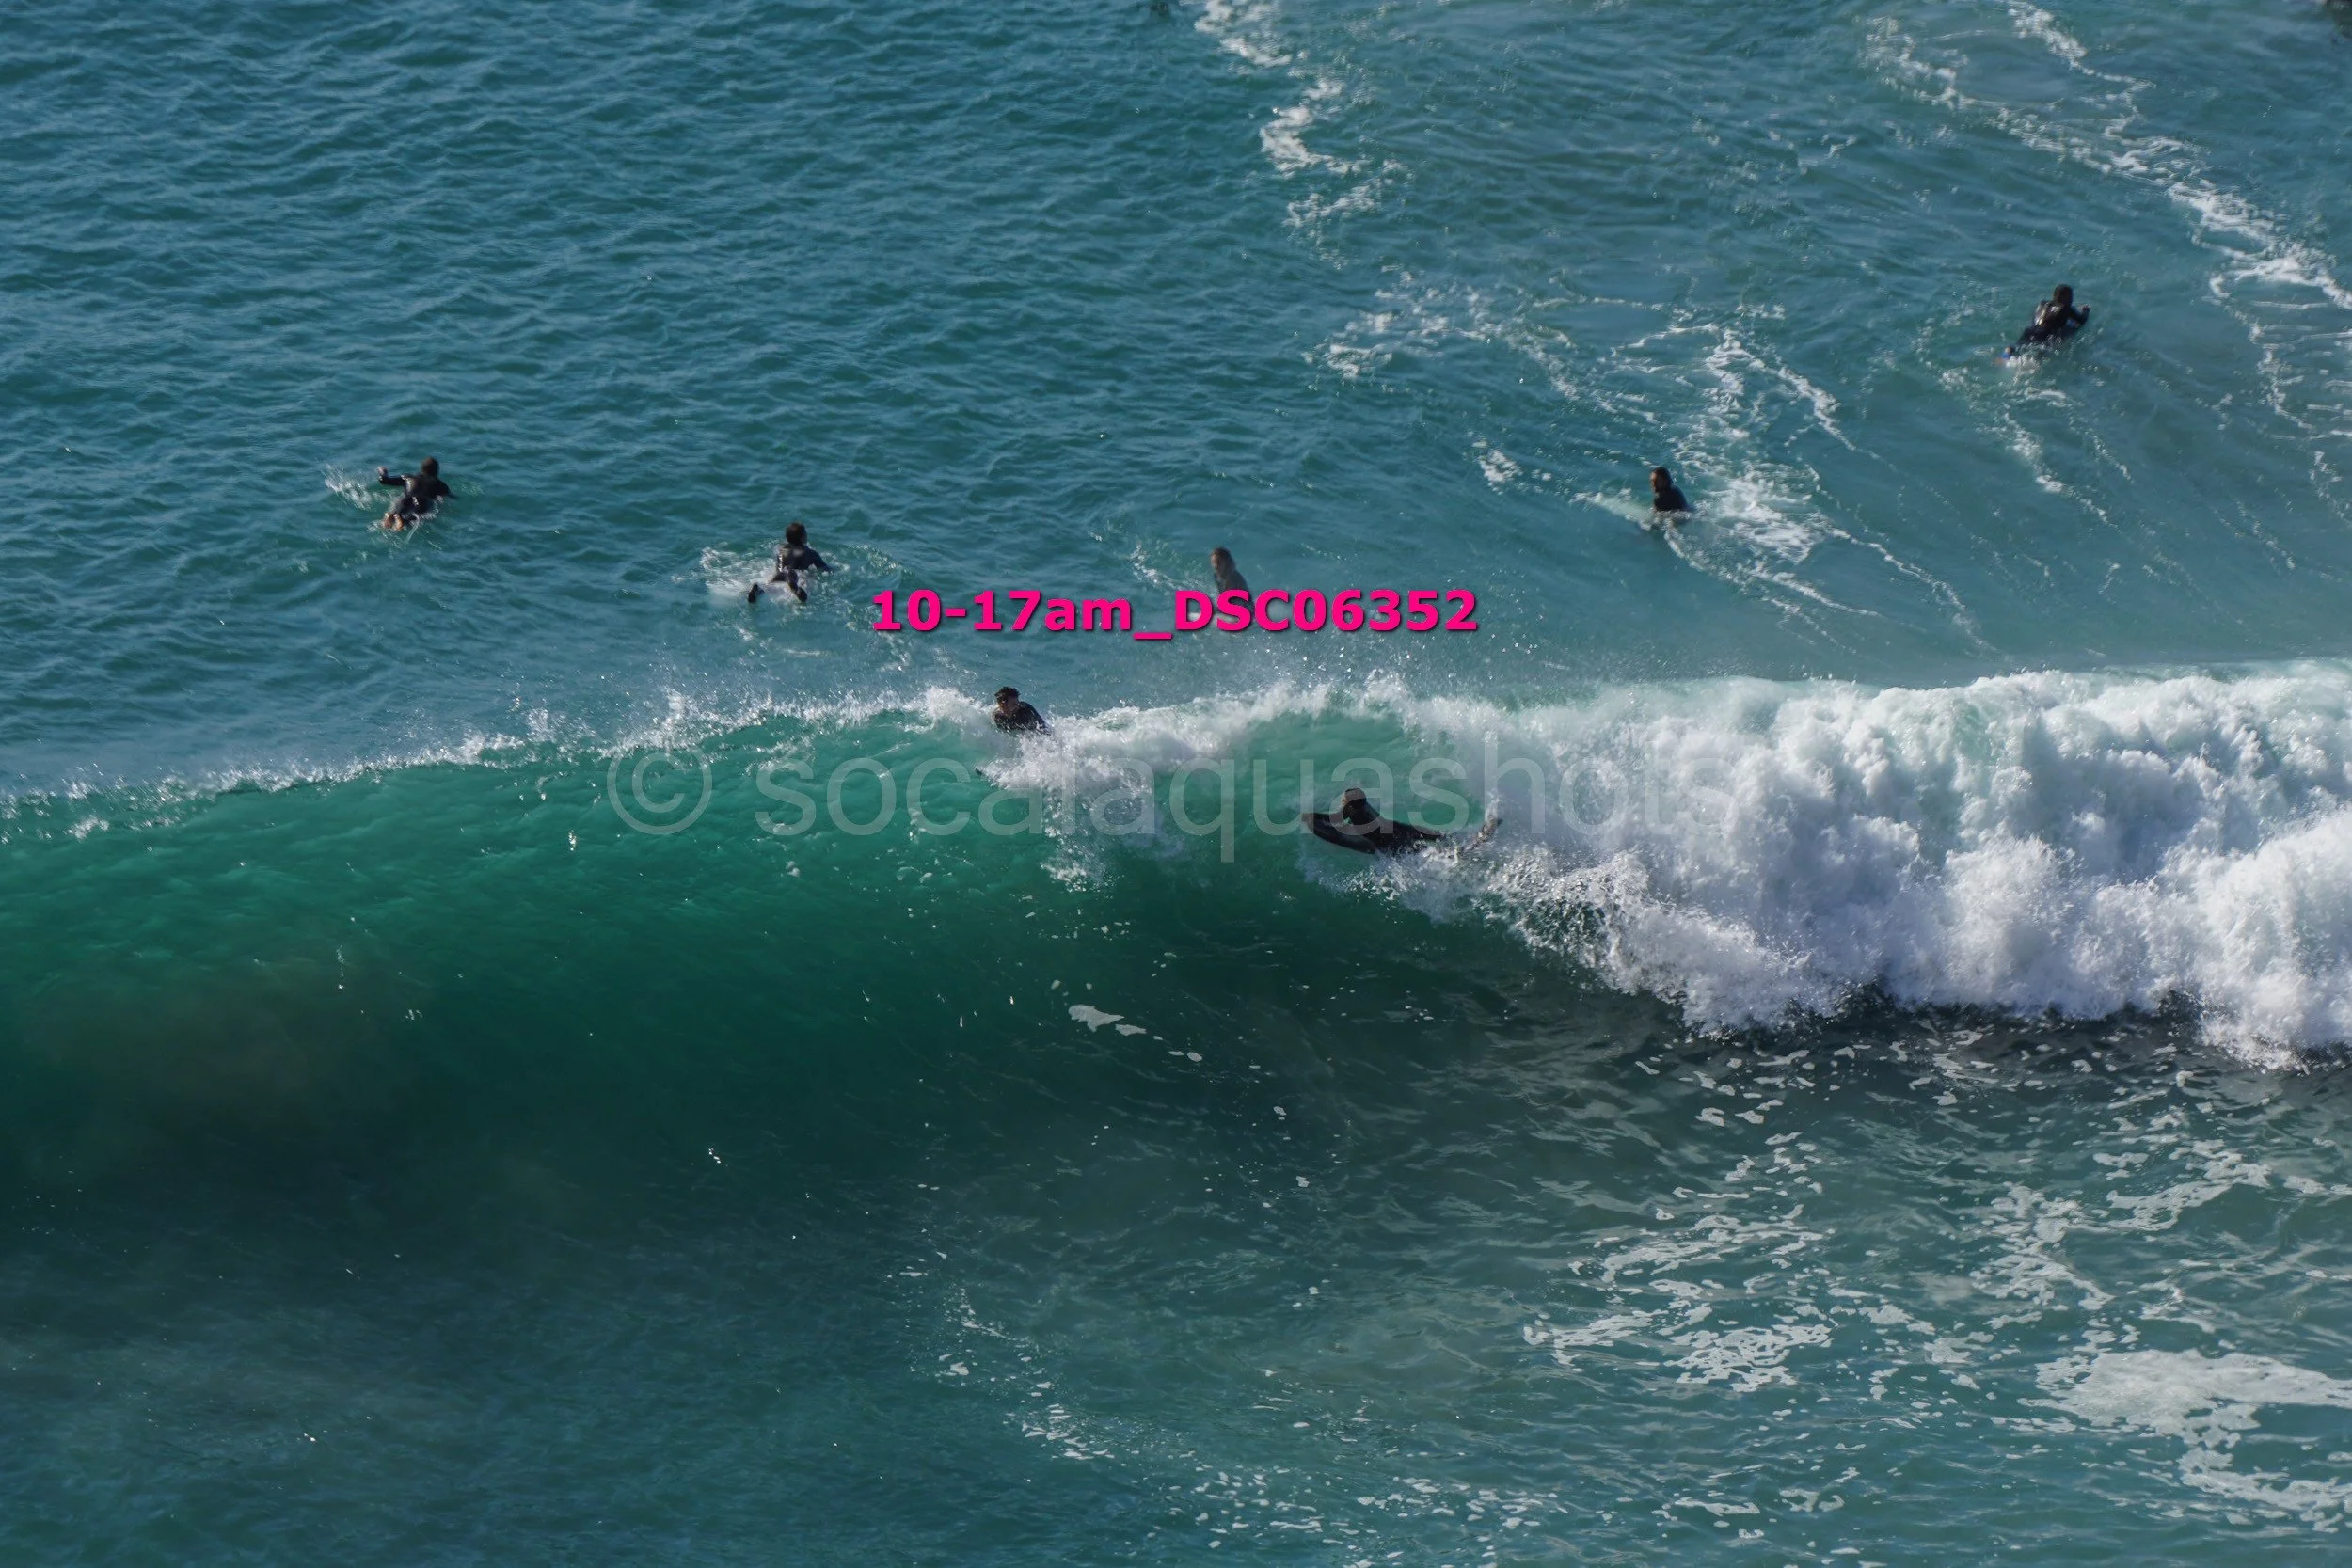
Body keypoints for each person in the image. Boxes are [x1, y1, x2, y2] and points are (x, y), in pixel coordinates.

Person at [1305, 786, 1448, 855]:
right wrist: (1313, 816)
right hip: (1394, 828)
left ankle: (1453, 854)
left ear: (1350, 803)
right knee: (1430, 840)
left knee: (1426, 853)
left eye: (1345, 798)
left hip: (1391, 841)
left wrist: (1312, 819)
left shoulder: (1354, 812)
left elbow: (1336, 824)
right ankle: (1455, 845)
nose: (1342, 799)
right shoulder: (1360, 806)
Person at [750, 521, 832, 603]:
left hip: (780, 574)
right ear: (802, 538)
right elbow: (824, 568)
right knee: (796, 582)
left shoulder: (781, 549)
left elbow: (779, 561)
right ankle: (795, 589)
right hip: (793, 574)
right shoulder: (810, 553)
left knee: (770, 587)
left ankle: (758, 590)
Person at [375, 457, 450, 531]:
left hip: (405, 499)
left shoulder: (408, 478)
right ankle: (403, 521)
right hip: (421, 502)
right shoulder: (440, 485)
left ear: (422, 469)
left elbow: (384, 480)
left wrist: (383, 472)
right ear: (436, 471)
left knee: (397, 510)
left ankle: (391, 515)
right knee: (415, 516)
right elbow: (444, 496)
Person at [2013, 283, 2089, 349]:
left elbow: (2035, 318)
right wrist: (2085, 311)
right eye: (2070, 297)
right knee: (2074, 329)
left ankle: (2007, 353)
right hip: (2045, 335)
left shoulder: (2042, 304)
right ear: (2064, 297)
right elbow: (2082, 320)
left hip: (2030, 330)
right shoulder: (2066, 308)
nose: (2072, 300)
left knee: (2017, 346)